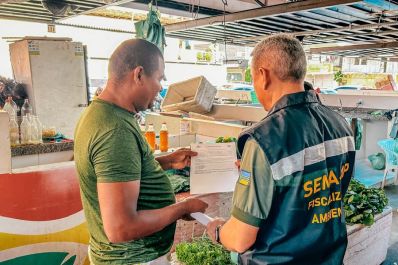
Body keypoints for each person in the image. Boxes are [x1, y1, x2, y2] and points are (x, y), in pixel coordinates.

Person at [206, 34, 356, 265]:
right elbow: (325, 196)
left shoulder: (264, 139)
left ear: (263, 76)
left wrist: (217, 231)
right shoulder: (340, 124)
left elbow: (239, 239)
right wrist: (261, 174)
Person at [74, 39, 208, 265]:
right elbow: (121, 228)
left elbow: (118, 170)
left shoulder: (100, 113)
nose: (160, 88)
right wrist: (182, 208)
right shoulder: (115, 130)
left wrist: (164, 162)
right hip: (133, 259)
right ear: (138, 75)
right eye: (159, 78)